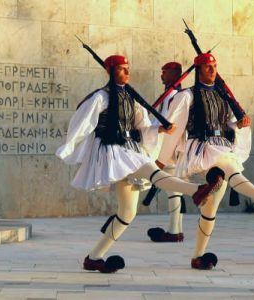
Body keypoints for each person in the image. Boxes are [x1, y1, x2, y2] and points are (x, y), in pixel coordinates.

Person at [56, 54, 225, 273]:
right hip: (113, 152)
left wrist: (159, 130)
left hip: (130, 148)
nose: (127, 73)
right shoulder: (100, 97)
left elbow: (143, 127)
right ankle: (197, 190)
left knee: (127, 213)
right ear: (110, 72)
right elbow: (81, 123)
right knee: (151, 171)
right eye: (122, 69)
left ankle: (93, 257)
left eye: (128, 68)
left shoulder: (131, 97)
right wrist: (70, 147)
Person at [155, 52, 254, 270]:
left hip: (221, 146)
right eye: (208, 67)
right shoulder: (186, 96)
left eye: (215, 66)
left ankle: (198, 256)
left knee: (210, 211)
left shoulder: (223, 96)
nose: (213, 70)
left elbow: (232, 123)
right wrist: (161, 159)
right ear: (198, 71)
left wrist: (242, 124)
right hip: (201, 149)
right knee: (228, 164)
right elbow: (174, 128)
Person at [147, 62, 187, 242]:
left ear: (174, 74)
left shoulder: (176, 97)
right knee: (174, 189)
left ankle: (174, 231)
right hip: (167, 148)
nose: (161, 76)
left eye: (164, 73)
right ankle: (176, 230)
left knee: (174, 189)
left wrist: (162, 155)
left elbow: (172, 126)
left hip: (171, 148)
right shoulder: (168, 96)